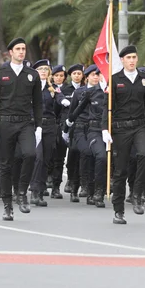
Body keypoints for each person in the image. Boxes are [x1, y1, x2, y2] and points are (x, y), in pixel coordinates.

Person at [0, 37, 43, 221]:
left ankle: (21, 191)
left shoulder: (32, 74)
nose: (21, 52)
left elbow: (38, 104)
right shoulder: (0, 72)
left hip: (26, 122)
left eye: (23, 49)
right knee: (5, 164)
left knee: (30, 155)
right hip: (5, 122)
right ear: (10, 52)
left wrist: (39, 126)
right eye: (18, 49)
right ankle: (7, 204)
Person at [102, 45, 145, 224]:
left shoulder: (144, 80)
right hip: (120, 129)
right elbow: (107, 107)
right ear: (123, 60)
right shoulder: (115, 79)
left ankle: (137, 194)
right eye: (128, 58)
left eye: (134, 57)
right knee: (120, 171)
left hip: (140, 126)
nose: (132, 60)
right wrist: (105, 129)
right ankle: (118, 211)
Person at [65, 65, 108, 208]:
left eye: (99, 74)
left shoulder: (105, 92)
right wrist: (66, 129)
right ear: (87, 76)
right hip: (79, 128)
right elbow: (73, 113)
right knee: (82, 154)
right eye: (93, 74)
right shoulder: (80, 92)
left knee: (93, 157)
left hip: (94, 128)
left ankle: (93, 190)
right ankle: (77, 185)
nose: (96, 77)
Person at [29, 59, 67, 207]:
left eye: (46, 69)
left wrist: (64, 102)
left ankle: (40, 189)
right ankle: (33, 189)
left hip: (50, 126)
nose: (43, 71)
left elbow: (60, 97)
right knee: (37, 157)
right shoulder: (31, 87)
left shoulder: (53, 89)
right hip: (35, 125)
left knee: (46, 159)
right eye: (40, 69)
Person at [61, 64, 84, 194]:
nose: (77, 76)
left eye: (79, 73)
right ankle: (70, 179)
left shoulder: (86, 89)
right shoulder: (65, 90)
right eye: (74, 73)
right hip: (70, 125)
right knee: (72, 154)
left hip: (83, 125)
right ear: (70, 76)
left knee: (82, 154)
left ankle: (79, 182)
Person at [48, 64, 68, 199]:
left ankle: (56, 186)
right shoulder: (47, 89)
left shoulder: (68, 90)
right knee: (47, 156)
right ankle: (43, 183)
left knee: (59, 159)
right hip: (49, 125)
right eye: (56, 76)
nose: (59, 78)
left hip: (61, 126)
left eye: (61, 76)